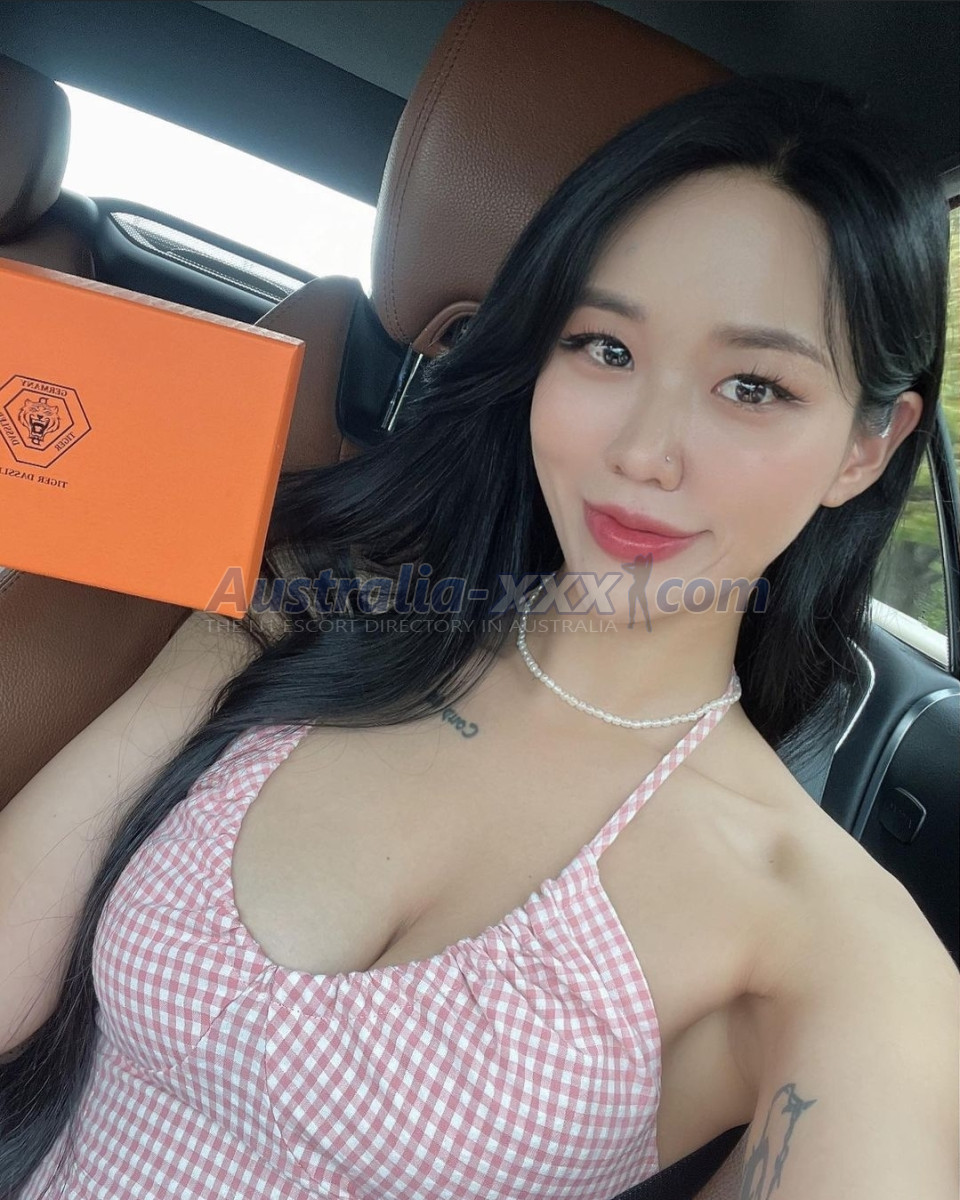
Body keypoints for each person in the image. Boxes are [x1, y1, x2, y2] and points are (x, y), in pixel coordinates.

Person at [1, 73, 955, 1200]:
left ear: (867, 446)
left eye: (753, 386)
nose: (644, 451)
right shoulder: (306, 609)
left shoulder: (834, 948)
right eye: (604, 348)